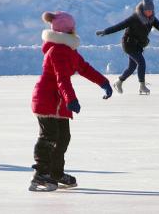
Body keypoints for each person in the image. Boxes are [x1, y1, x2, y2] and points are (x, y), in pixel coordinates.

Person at [29, 11, 113, 192]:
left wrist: (103, 82)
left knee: (63, 138)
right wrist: (71, 99)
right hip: (47, 99)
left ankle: (56, 173)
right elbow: (62, 79)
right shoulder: (57, 51)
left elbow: (84, 68)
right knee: (49, 136)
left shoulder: (69, 51)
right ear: (68, 30)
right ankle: (40, 175)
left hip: (58, 102)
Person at [96, 0, 159, 95]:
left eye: (151, 10)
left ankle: (118, 82)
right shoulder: (135, 17)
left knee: (131, 67)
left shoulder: (152, 19)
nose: (149, 12)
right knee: (141, 62)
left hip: (138, 45)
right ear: (143, 9)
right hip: (128, 44)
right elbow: (119, 26)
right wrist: (105, 31)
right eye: (147, 10)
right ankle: (142, 86)